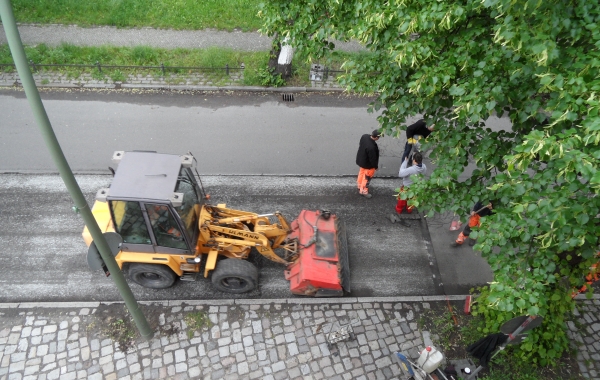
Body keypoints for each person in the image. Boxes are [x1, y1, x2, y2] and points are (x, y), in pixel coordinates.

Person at [391, 152, 427, 221]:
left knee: (402, 199)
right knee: (412, 199)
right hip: (416, 187)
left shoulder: (411, 169)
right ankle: (409, 209)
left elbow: (401, 173)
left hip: (406, 187)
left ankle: (399, 210)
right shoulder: (424, 167)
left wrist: (405, 161)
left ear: (414, 160)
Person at [356, 129, 382, 198]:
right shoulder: (371, 147)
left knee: (361, 173)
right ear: (376, 137)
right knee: (367, 178)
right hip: (368, 165)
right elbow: (372, 159)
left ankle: (359, 185)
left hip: (361, 160)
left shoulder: (365, 136)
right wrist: (375, 167)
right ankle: (363, 191)